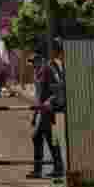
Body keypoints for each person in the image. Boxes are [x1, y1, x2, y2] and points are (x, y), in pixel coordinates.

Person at [28, 45, 65, 179]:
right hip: (41, 112)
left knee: (40, 137)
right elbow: (38, 96)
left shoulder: (48, 70)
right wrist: (34, 116)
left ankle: (44, 169)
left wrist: (50, 101)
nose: (33, 64)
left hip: (48, 111)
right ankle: (57, 168)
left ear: (41, 59)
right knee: (50, 139)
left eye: (34, 61)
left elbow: (58, 89)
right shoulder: (37, 72)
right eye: (31, 62)